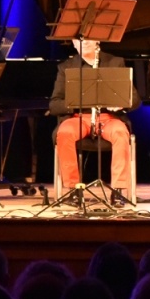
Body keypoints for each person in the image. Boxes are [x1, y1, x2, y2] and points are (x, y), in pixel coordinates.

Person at [48, 36, 134, 201]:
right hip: (78, 117)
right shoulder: (66, 67)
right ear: (73, 43)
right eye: (78, 40)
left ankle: (118, 189)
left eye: (88, 39)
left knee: (120, 132)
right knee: (64, 133)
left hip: (108, 117)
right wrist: (76, 102)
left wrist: (122, 103)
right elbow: (54, 105)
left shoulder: (115, 62)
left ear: (97, 41)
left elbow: (134, 99)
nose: (84, 43)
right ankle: (73, 189)